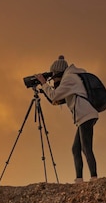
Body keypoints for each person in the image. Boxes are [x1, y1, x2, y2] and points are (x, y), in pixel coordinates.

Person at [35, 55, 98, 183]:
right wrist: (43, 90)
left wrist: (43, 83)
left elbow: (54, 95)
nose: (54, 80)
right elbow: (57, 100)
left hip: (85, 115)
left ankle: (94, 178)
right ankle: (79, 179)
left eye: (54, 76)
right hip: (84, 116)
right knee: (76, 149)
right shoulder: (72, 78)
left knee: (86, 147)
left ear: (59, 73)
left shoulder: (69, 79)